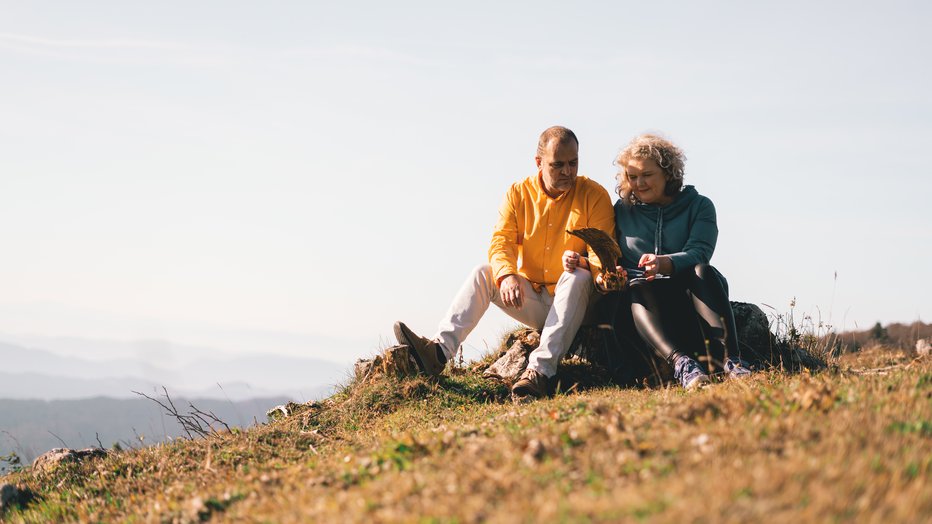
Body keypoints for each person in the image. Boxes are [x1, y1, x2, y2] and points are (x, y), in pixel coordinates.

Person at [393, 126, 615, 400]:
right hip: (538, 299)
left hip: (581, 302)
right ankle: (438, 352)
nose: (568, 172)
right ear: (538, 162)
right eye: (558, 165)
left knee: (575, 276)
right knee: (484, 273)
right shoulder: (518, 193)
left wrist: (589, 266)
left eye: (573, 163)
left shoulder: (595, 195)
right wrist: (507, 274)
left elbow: (603, 253)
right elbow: (501, 241)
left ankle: (540, 373)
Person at [610, 133, 751, 389]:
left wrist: (665, 263)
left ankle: (734, 362)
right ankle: (682, 365)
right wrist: (614, 271)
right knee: (637, 287)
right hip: (646, 311)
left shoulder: (699, 206)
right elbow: (609, 254)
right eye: (632, 176)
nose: (638, 183)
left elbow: (700, 251)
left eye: (646, 175)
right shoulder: (621, 211)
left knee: (703, 270)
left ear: (668, 173)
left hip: (690, 299)